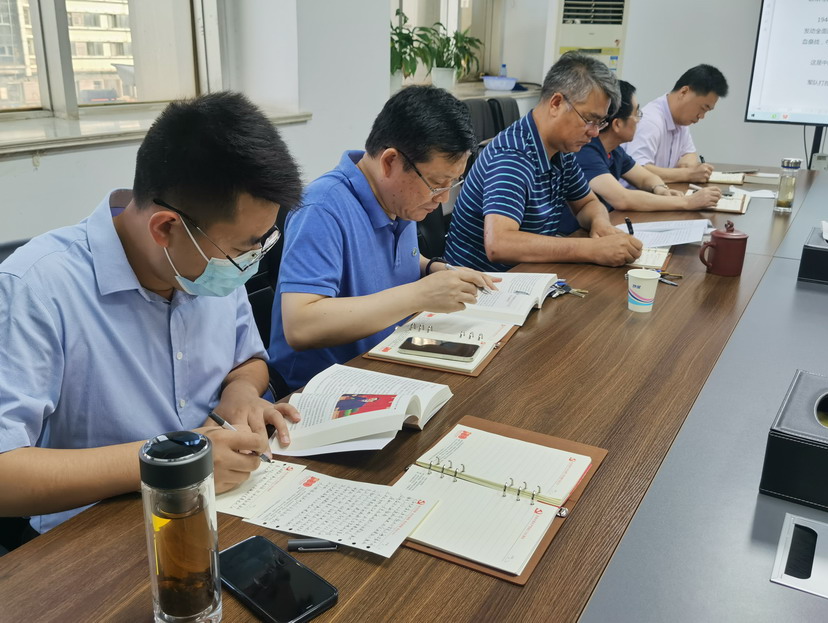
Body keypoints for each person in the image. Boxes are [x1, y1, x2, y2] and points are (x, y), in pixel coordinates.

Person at [0, 92, 303, 539]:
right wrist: (178, 461)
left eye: (262, 244)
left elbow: (248, 359)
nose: (250, 263)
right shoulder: (36, 288)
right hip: (96, 536)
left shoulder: (207, 266)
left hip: (226, 503)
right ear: (165, 228)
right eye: (242, 249)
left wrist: (239, 393)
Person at [268, 85, 496, 391]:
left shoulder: (398, 198)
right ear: (390, 161)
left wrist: (433, 269)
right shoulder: (321, 209)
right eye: (437, 184)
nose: (442, 198)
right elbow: (301, 325)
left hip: (387, 361)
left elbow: (388, 262)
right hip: (323, 389)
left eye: (452, 183)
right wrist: (420, 295)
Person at [443, 52, 643, 273]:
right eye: (589, 120)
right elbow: (499, 244)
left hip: (528, 276)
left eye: (600, 122)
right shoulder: (512, 155)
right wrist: (592, 249)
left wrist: (600, 224)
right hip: (481, 284)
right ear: (556, 103)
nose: (594, 132)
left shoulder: (561, 150)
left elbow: (587, 203)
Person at [574, 80, 722, 212]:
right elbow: (622, 198)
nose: (639, 120)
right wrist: (687, 202)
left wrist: (660, 189)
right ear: (617, 124)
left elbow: (644, 178)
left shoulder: (614, 150)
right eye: (636, 113)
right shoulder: (586, 151)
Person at [623, 64, 728, 184]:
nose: (702, 116)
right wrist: (688, 174)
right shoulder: (650, 121)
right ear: (684, 92)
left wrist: (688, 162)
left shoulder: (681, 121)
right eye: (703, 108)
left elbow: (689, 153)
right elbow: (637, 170)